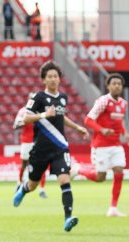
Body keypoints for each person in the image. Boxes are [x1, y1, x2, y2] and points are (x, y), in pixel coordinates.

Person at [12, 61, 89, 232]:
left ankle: (68, 218)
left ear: (59, 79)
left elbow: (61, 117)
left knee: (65, 179)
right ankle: (23, 190)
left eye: (56, 76)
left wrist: (77, 127)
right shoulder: (38, 97)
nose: (53, 79)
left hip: (60, 147)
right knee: (33, 185)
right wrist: (45, 114)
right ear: (44, 80)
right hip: (40, 149)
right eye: (50, 77)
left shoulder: (63, 98)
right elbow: (26, 119)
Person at [71, 73, 129, 217]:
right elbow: (88, 120)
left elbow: (118, 122)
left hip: (116, 145)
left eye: (119, 83)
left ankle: (113, 208)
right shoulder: (103, 101)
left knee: (119, 171)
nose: (117, 86)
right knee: (100, 177)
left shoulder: (123, 103)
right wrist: (102, 129)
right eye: (114, 83)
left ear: (122, 86)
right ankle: (78, 169)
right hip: (101, 145)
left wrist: (125, 133)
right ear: (108, 86)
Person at [13, 94, 47, 198]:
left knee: (42, 165)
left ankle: (42, 189)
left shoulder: (42, 112)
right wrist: (26, 121)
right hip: (27, 141)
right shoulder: (23, 111)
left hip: (38, 141)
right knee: (24, 164)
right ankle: (19, 183)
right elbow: (15, 125)